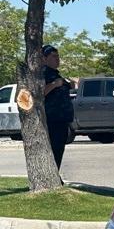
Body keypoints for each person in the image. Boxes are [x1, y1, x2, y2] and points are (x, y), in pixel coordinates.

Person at [41, 44, 75, 173]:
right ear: (44, 58)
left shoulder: (56, 74)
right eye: (53, 56)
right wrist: (54, 84)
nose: (57, 59)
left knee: (59, 149)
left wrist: (68, 85)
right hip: (52, 119)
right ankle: (52, 176)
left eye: (58, 56)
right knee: (54, 149)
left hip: (62, 119)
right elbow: (38, 94)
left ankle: (55, 175)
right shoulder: (43, 73)